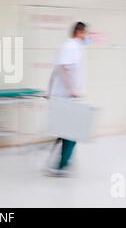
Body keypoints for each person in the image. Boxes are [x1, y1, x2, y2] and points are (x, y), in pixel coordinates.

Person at [45, 22, 91, 177]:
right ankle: (60, 165)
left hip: (64, 96)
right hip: (67, 97)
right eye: (86, 33)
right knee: (71, 133)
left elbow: (56, 70)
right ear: (79, 32)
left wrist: (49, 91)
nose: (87, 36)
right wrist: (72, 89)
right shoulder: (72, 47)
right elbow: (63, 68)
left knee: (67, 132)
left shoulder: (69, 46)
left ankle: (61, 162)